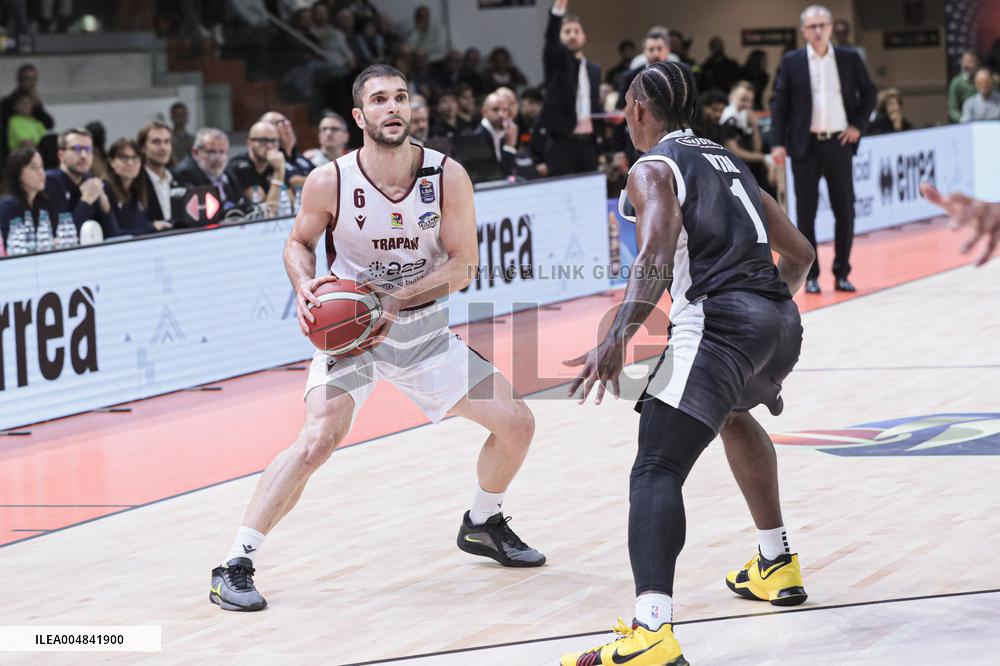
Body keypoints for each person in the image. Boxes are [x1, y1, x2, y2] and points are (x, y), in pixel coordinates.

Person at [209, 64, 545, 612]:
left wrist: (396, 298)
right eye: (380, 99)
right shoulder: (330, 180)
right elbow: (297, 243)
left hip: (422, 332)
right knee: (317, 439)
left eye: (401, 97)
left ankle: (483, 522)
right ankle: (234, 563)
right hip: (352, 336)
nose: (393, 107)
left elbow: (464, 265)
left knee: (517, 425)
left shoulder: (447, 176)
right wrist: (303, 285)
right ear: (359, 115)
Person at [560, 60, 816, 666]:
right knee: (731, 413)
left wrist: (618, 336)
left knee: (655, 467)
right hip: (781, 323)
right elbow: (802, 254)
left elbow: (653, 253)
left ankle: (651, 629)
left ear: (639, 109)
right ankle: (776, 562)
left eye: (626, 106)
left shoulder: (652, 167)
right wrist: (764, 314)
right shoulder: (729, 161)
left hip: (719, 321)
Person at [770, 4, 876, 294]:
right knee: (806, 214)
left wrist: (858, 125)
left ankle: (842, 272)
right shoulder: (792, 61)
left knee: (845, 210)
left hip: (839, 143)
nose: (817, 31)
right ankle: (811, 275)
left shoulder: (849, 58)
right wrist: (777, 142)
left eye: (822, 25)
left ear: (830, 28)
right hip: (805, 146)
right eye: (812, 26)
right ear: (803, 31)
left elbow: (870, 93)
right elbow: (779, 104)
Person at [539, 0, 600, 176]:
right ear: (559, 36)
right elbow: (550, 40)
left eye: (576, 31)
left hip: (588, 143)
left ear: (584, 36)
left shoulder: (594, 70)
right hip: (562, 142)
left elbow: (591, 104)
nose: (572, 36)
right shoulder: (556, 63)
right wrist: (558, 10)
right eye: (567, 31)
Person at [44, 127, 118, 237]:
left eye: (88, 149)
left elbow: (112, 235)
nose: (83, 155)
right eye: (77, 149)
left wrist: (105, 207)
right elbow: (64, 236)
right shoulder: (50, 181)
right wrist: (86, 200)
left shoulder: (90, 180)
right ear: (61, 155)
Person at [921, 183, 999, 266]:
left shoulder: (957, 200)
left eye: (930, 193)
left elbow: (971, 208)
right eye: (927, 195)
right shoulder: (949, 208)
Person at [226, 121, 291, 215]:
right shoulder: (239, 166)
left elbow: (291, 203)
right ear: (249, 143)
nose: (269, 146)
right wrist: (278, 172)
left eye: (274, 141)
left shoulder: (274, 163)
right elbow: (266, 212)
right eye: (263, 141)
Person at [721, 81, 774, 195]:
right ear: (731, 98)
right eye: (743, 99)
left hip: (750, 173)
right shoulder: (727, 120)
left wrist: (754, 126)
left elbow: (757, 148)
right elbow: (734, 151)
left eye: (750, 101)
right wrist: (763, 158)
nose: (747, 105)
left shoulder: (745, 121)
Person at [173, 127, 243, 210]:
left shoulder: (228, 172)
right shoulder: (185, 174)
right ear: (195, 152)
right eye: (211, 152)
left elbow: (242, 201)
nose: (218, 159)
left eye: (222, 152)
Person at [0, 64, 55, 163]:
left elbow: (49, 124)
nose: (31, 83)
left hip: (34, 150)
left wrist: (37, 105)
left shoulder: (34, 103)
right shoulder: (7, 104)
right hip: (12, 152)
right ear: (19, 80)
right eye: (27, 79)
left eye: (34, 79)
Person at [0, 147, 53, 244]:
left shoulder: (41, 202)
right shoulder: (8, 205)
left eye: (41, 166)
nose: (41, 173)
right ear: (18, 173)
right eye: (33, 168)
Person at [103, 138, 155, 236]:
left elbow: (140, 224)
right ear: (111, 162)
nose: (130, 163)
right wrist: (151, 228)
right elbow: (113, 234)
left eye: (135, 158)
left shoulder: (137, 191)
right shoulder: (105, 190)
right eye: (124, 158)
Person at [137, 121, 177, 231]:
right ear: (143, 147)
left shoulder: (178, 178)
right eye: (156, 142)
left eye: (167, 142)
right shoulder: (135, 181)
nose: (163, 147)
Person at [260, 111, 315, 184]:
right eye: (280, 122)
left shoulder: (299, 157)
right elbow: (294, 182)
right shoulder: (268, 159)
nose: (287, 124)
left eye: (286, 120)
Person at [472, 91, 518, 177]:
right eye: (495, 110)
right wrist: (509, 146)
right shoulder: (478, 138)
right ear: (484, 112)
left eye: (504, 110)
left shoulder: (504, 133)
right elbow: (497, 175)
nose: (501, 115)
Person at [948, 51, 980, 123]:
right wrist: (961, 119)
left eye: (970, 62)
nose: (966, 65)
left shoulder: (984, 79)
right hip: (964, 122)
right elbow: (952, 109)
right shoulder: (956, 82)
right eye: (964, 61)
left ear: (977, 63)